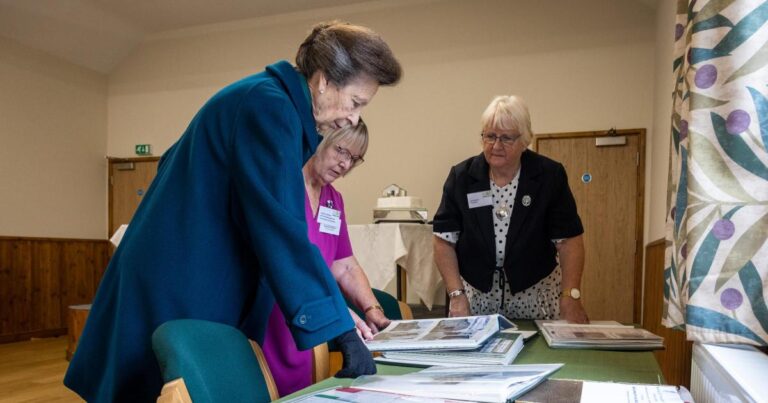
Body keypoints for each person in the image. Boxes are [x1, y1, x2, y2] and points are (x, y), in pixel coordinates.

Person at [64, 21, 401, 402]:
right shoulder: (268, 105)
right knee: (157, 386)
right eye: (356, 103)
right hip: (177, 279)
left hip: (191, 271)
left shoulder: (266, 100)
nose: (354, 118)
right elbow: (280, 228)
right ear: (323, 81)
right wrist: (337, 329)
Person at [262, 120, 392, 396]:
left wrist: (373, 310)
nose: (346, 164)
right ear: (320, 140)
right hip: (273, 316)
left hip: (311, 324)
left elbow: (344, 265)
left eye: (354, 159)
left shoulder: (333, 200)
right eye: (341, 151)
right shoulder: (283, 187)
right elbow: (285, 264)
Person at [432, 95, 588, 324]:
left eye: (506, 138)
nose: (496, 146)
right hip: (477, 298)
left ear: (525, 140)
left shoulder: (548, 176)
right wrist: (456, 295)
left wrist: (570, 296)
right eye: (490, 136)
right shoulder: (462, 177)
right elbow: (443, 241)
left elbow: (569, 241)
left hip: (536, 296)